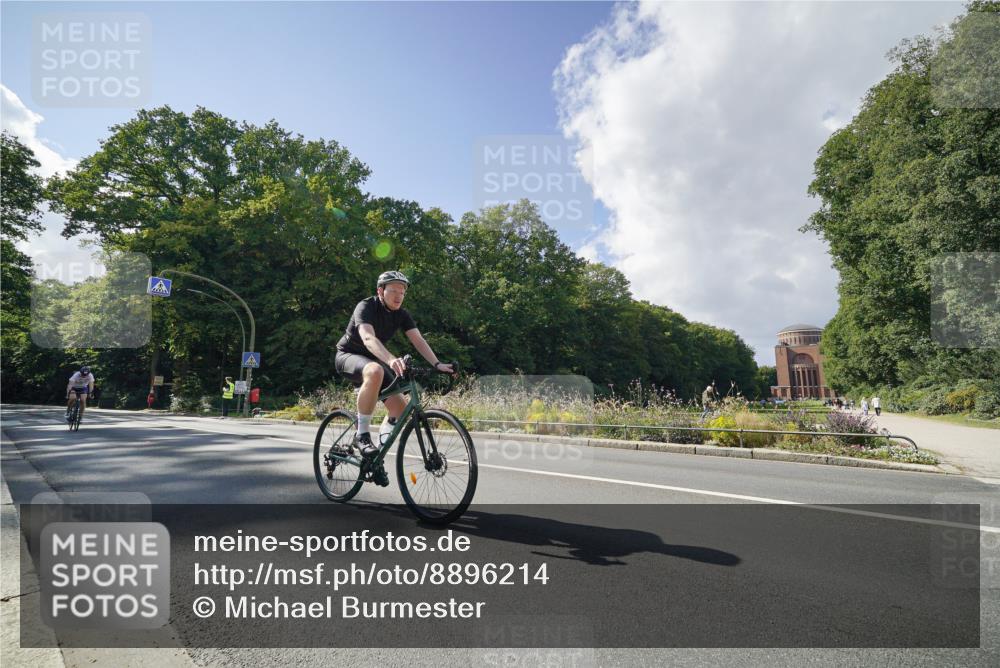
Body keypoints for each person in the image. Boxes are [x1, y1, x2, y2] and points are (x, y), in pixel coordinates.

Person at [335, 271, 454, 459]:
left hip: (374, 360)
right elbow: (368, 338)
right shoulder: (366, 306)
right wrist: (391, 359)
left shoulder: (402, 315)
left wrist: (437, 364)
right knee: (375, 370)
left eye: (403, 292)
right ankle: (362, 435)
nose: (399, 296)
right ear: (380, 291)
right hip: (348, 355)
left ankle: (377, 455)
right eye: (394, 291)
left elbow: (418, 340)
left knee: (400, 409)